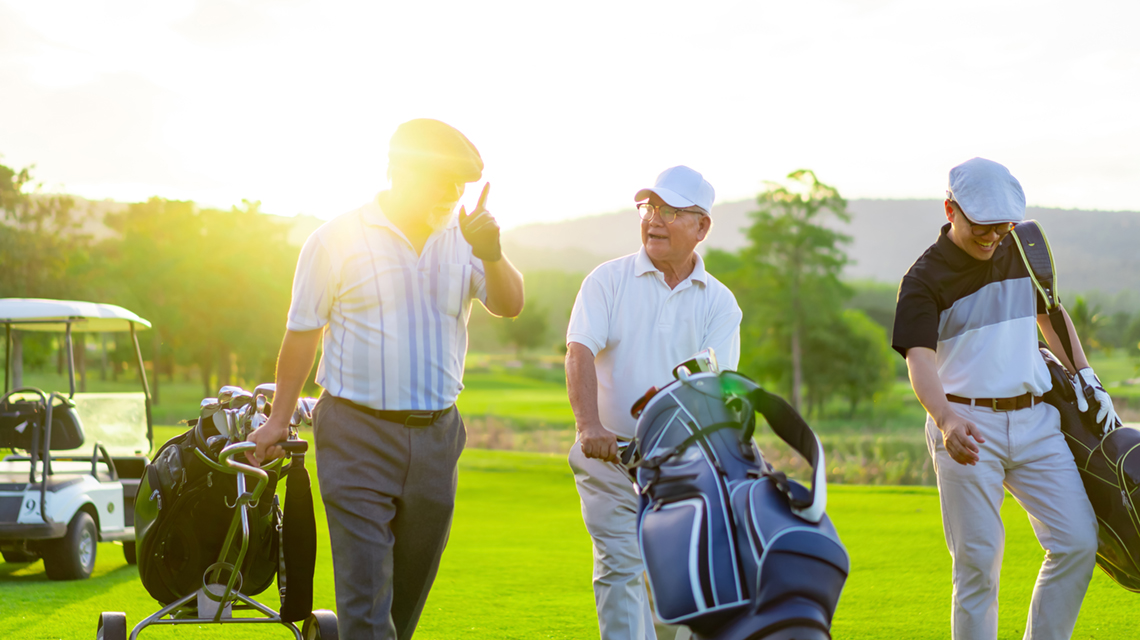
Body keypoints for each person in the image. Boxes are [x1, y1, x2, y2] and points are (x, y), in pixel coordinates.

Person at [246, 118, 525, 639]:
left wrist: (491, 251)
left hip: (439, 438)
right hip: (356, 433)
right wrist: (279, 420)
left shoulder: (468, 239)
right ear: (398, 171)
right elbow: (302, 334)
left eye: (458, 184)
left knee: (403, 604)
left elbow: (510, 305)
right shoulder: (334, 240)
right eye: (439, 180)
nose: (450, 194)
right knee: (366, 597)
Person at [892, 157, 1115, 640]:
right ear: (951, 209)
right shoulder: (923, 279)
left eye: (1003, 225)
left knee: (1078, 543)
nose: (994, 237)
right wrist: (946, 419)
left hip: (1037, 423)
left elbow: (1051, 313)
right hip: (966, 427)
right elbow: (919, 360)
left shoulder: (1022, 248)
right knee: (977, 564)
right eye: (983, 227)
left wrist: (1088, 376)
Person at [566, 165, 743, 640]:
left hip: (679, 466)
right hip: (607, 455)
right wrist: (588, 427)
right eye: (649, 208)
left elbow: (712, 386)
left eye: (670, 211)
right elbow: (579, 350)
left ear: (701, 226)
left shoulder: (720, 303)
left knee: (672, 594)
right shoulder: (607, 280)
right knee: (620, 566)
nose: (654, 220)